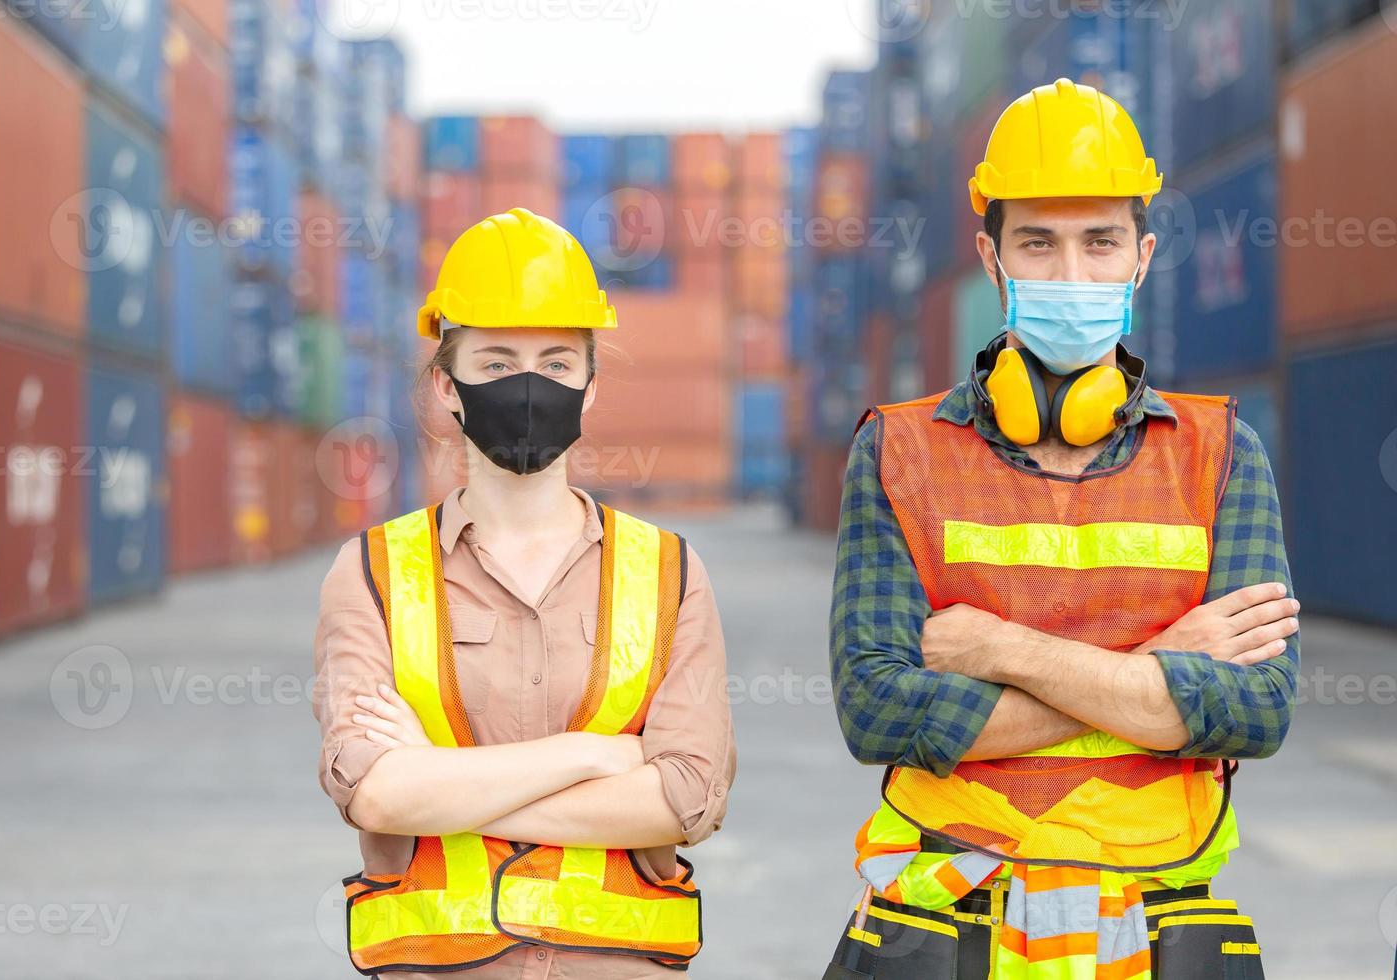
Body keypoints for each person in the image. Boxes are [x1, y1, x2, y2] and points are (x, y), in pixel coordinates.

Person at [823, 79, 1296, 979]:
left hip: (1159, 931)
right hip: (946, 925)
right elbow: (879, 712)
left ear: (1143, 257)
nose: (1071, 275)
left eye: (1100, 243)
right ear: (991, 259)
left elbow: (1253, 711)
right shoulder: (899, 450)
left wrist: (998, 646)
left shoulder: (1221, 450)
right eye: (1038, 243)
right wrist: (1159, 675)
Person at [313, 207, 736, 978]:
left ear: (591, 385)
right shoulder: (373, 570)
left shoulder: (668, 569)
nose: (530, 385)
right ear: (446, 384)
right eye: (498, 363)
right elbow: (374, 793)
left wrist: (440, 785)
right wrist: (592, 755)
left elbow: (684, 798)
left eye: (557, 362)